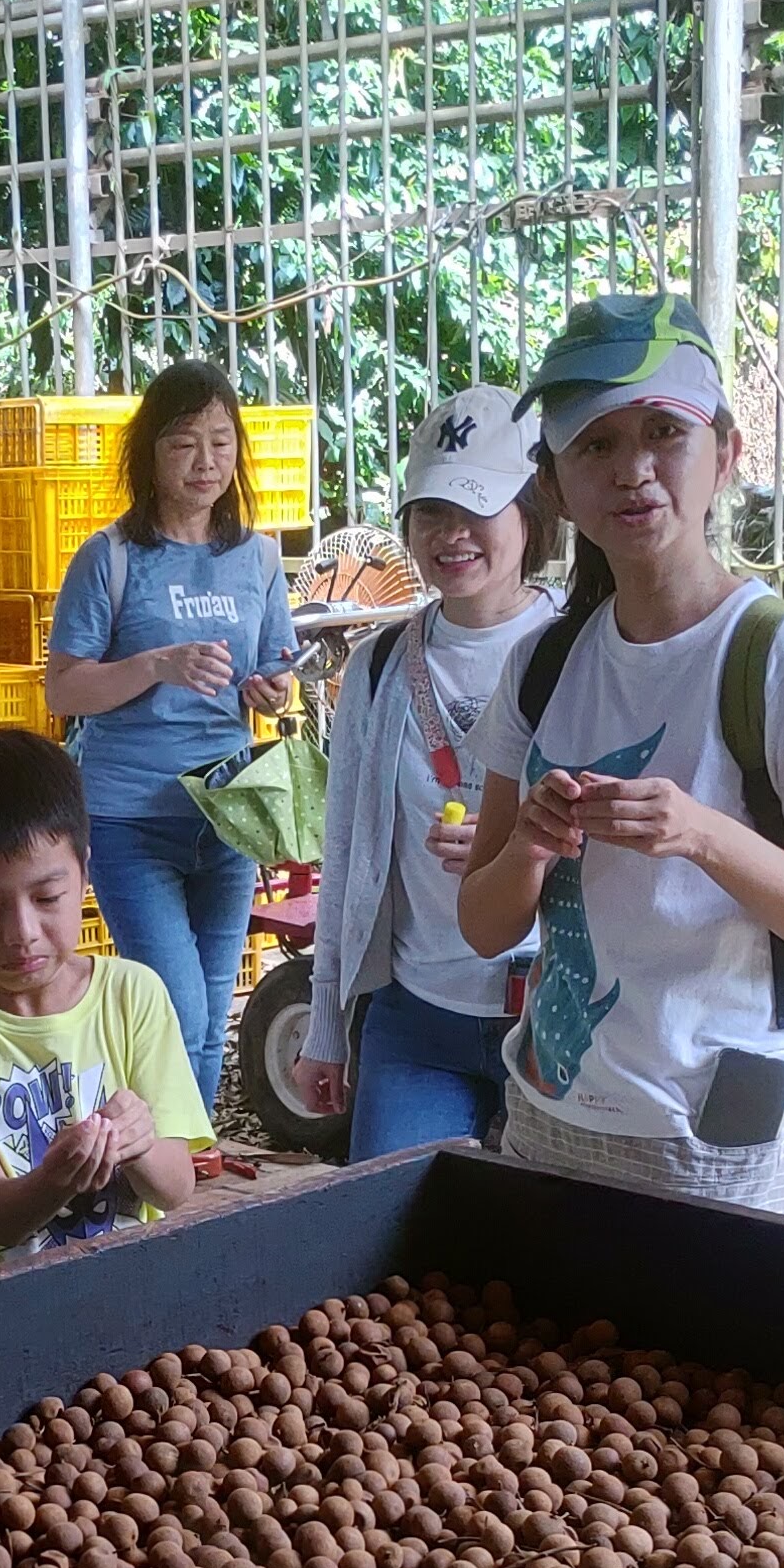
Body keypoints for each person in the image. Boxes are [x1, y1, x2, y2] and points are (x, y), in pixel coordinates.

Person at [452, 292, 784, 1214]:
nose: (634, 470)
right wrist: (530, 843)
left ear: (725, 455)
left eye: (664, 432)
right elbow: (485, 927)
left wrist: (701, 835)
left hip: (726, 1136)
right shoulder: (542, 661)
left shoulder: (783, 653)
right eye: (596, 445)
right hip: (555, 1114)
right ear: (556, 485)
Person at [292, 384, 562, 1156]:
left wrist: (512, 846)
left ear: (530, 511)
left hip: (557, 1011)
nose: (452, 535)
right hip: (417, 1017)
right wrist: (327, 1028)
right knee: (398, 1248)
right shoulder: (378, 669)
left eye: (476, 508)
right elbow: (345, 853)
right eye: (431, 512)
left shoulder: (583, 651)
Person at [39, 360, 297, 1115]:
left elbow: (276, 675)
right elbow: (65, 687)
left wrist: (270, 689)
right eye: (186, 442)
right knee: (175, 1002)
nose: (207, 461)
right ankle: (161, 1154)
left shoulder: (257, 557)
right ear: (150, 452)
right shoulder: (111, 557)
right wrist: (157, 664)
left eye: (222, 441)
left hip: (227, 813)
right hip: (129, 818)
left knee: (215, 1005)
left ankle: (189, 1149)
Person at [0, 726, 209, 1273]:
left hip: (131, 1285)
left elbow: (176, 1188)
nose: (22, 932)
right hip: (1, 1307)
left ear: (85, 872)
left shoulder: (133, 994)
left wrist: (139, 1144)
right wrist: (57, 1175)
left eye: (47, 897)